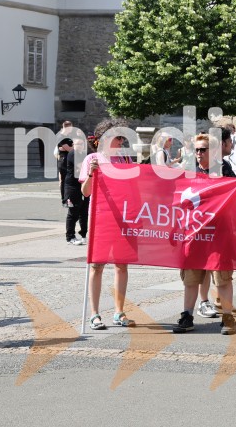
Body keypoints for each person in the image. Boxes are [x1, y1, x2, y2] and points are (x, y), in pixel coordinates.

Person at [173, 133, 236, 336]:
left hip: (219, 233)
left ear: (213, 151)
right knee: (190, 278)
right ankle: (187, 316)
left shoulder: (224, 170)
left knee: (222, 278)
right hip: (194, 232)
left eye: (203, 149)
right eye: (196, 149)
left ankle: (227, 316)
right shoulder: (188, 171)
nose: (198, 153)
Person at [80, 119, 136, 330]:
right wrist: (93, 173)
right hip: (100, 217)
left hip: (122, 217)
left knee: (121, 265)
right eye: (117, 138)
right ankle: (94, 314)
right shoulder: (92, 159)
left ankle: (118, 311)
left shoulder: (124, 159)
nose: (120, 142)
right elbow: (86, 192)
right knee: (97, 265)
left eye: (121, 138)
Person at [63, 138, 88, 245]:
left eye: (82, 144)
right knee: (73, 213)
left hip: (82, 186)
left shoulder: (83, 154)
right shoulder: (73, 154)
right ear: (73, 145)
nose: (80, 146)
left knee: (84, 212)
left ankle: (83, 234)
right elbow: (81, 167)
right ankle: (70, 237)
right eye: (78, 144)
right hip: (72, 187)